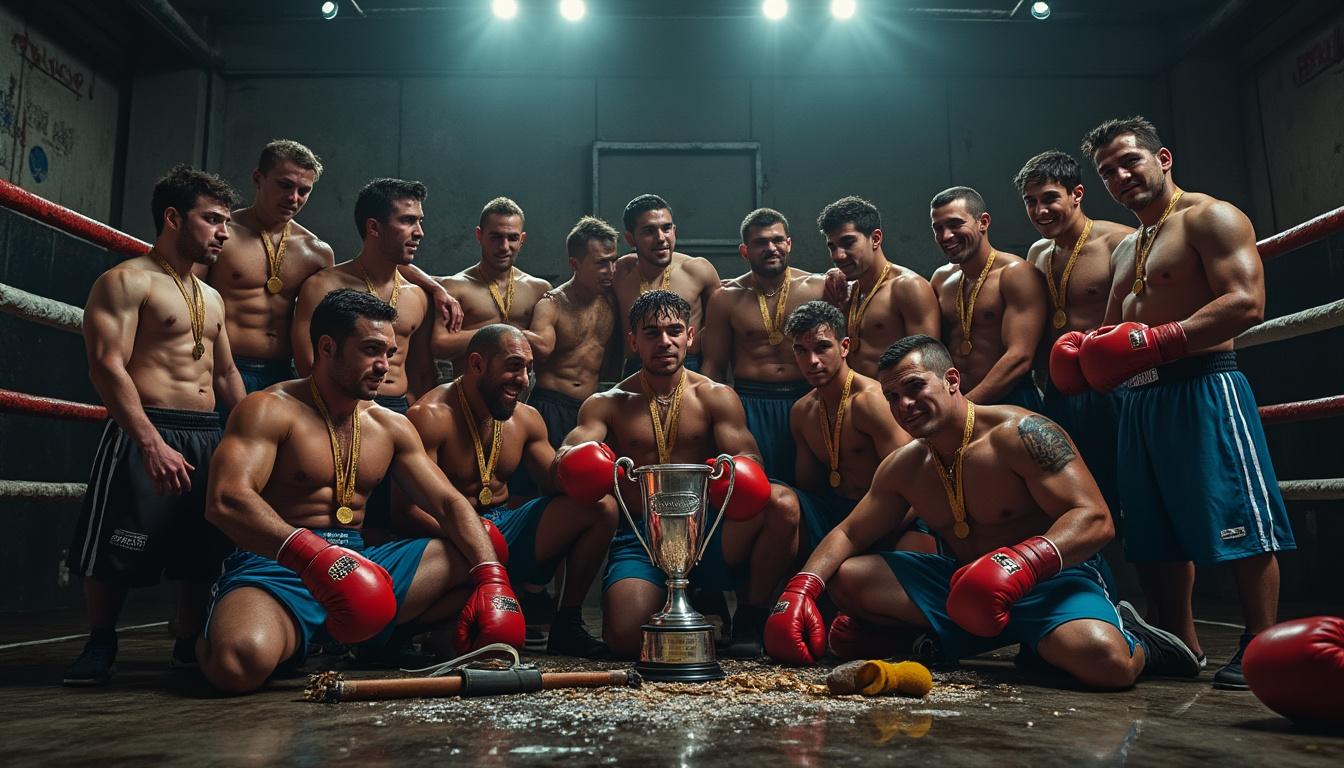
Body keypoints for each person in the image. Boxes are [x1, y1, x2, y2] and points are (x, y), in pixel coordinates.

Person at [764, 335, 1202, 690]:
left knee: (1107, 665)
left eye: (915, 387)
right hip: (964, 588)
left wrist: (1020, 564)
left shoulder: (1021, 433)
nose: (904, 406)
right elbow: (850, 533)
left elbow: (1095, 518)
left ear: (951, 380)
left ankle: (1141, 641)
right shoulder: (905, 466)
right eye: (892, 396)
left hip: (1052, 583)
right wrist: (799, 590)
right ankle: (971, 640)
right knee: (848, 577)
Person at [1062, 115, 1297, 689]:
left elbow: (1246, 301)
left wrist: (1164, 339)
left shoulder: (1209, 216)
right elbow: (1114, 331)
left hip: (1203, 383)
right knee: (1151, 532)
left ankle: (1260, 642)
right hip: (1140, 400)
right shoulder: (1127, 246)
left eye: (1130, 161)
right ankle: (1177, 642)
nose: (1121, 176)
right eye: (1108, 171)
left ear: (1162, 158)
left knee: (1241, 521)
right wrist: (1084, 355)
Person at [198, 289, 523, 694]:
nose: (384, 365)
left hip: (364, 567)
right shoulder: (268, 408)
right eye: (371, 350)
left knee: (477, 545)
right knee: (237, 664)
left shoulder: (389, 424)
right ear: (327, 348)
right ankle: (227, 627)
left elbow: (448, 502)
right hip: (280, 566)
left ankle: (370, 638)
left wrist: (493, 578)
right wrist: (314, 556)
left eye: (389, 352)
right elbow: (226, 500)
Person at [63, 165, 246, 685]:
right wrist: (149, 441)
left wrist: (251, 437)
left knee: (202, 546)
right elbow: (107, 366)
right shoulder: (126, 281)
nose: (223, 233)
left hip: (207, 431)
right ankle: (100, 642)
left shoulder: (211, 296)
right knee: (116, 546)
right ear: (173, 217)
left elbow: (226, 373)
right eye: (212, 219)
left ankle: (187, 644)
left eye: (226, 221)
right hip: (145, 426)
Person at [554, 290, 800, 658]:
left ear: (690, 336)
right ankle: (690, 601)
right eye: (651, 333)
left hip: (709, 531)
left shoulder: (715, 396)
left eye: (674, 331)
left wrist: (734, 471)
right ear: (634, 341)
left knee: (783, 503)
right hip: (644, 537)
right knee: (625, 638)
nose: (665, 342)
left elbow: (749, 457)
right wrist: (577, 460)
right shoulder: (607, 403)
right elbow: (565, 456)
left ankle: (751, 616)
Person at [395, 324, 616, 658]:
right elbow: (405, 512)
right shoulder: (430, 417)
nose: (524, 380)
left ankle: (567, 622)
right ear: (477, 364)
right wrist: (474, 538)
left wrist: (583, 467)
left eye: (528, 369)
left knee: (601, 507)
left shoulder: (525, 418)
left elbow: (556, 482)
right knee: (455, 643)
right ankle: (420, 627)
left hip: (503, 525)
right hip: (448, 536)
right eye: (513, 366)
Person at [207, 140, 460, 395]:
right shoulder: (221, 236)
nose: (294, 198)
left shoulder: (315, 251)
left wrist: (435, 288)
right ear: (258, 178)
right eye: (285, 185)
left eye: (304, 190)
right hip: (228, 366)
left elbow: (377, 265)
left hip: (284, 371)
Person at [291, 178, 437, 541]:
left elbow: (421, 371)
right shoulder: (324, 286)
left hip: (398, 414)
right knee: (343, 516)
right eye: (407, 221)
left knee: (398, 523)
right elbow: (309, 363)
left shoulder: (418, 296)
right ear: (374, 227)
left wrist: (416, 420)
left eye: (420, 221)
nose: (419, 232)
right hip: (337, 412)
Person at [1015, 150, 1133, 557]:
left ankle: (1144, 594)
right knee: (1070, 499)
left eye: (1050, 198)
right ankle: (1095, 587)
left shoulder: (1119, 241)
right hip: (1060, 393)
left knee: (1129, 499)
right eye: (1031, 202)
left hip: (1114, 388)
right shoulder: (1037, 253)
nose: (1040, 210)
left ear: (1077, 194)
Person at [698, 208, 825, 483]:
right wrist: (711, 416)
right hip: (749, 405)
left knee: (812, 486)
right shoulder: (725, 298)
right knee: (754, 487)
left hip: (808, 399)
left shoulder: (819, 288)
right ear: (744, 251)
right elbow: (714, 366)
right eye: (761, 242)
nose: (771, 248)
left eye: (777, 240)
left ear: (789, 243)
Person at [929, 186, 1047, 409]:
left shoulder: (1016, 274)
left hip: (1011, 402)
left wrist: (965, 408)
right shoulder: (941, 279)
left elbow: (1019, 357)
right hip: (957, 403)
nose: (946, 236)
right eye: (938, 228)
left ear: (983, 222)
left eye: (955, 224)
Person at [817, 196, 940, 379]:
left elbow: (926, 365)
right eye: (832, 247)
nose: (838, 255)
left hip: (894, 395)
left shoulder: (908, 287)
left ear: (875, 239)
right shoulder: (845, 291)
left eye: (848, 242)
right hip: (852, 394)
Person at [526, 216, 620, 449]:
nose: (610, 270)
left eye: (613, 261)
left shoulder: (613, 299)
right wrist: (507, 329)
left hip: (591, 409)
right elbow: (542, 347)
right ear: (575, 264)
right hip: (550, 406)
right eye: (601, 263)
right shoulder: (552, 304)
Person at [432, 197, 552, 375]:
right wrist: (503, 333)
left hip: (521, 387)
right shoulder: (455, 287)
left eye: (512, 238)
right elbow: (440, 345)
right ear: (479, 235)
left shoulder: (539, 289)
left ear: (522, 239)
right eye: (496, 237)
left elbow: (544, 349)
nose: (504, 247)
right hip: (470, 388)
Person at [611, 194, 721, 375]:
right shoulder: (620, 272)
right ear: (630, 238)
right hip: (636, 369)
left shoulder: (699, 271)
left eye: (666, 228)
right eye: (649, 231)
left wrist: (708, 384)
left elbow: (719, 337)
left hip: (688, 367)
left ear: (674, 230)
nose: (661, 238)